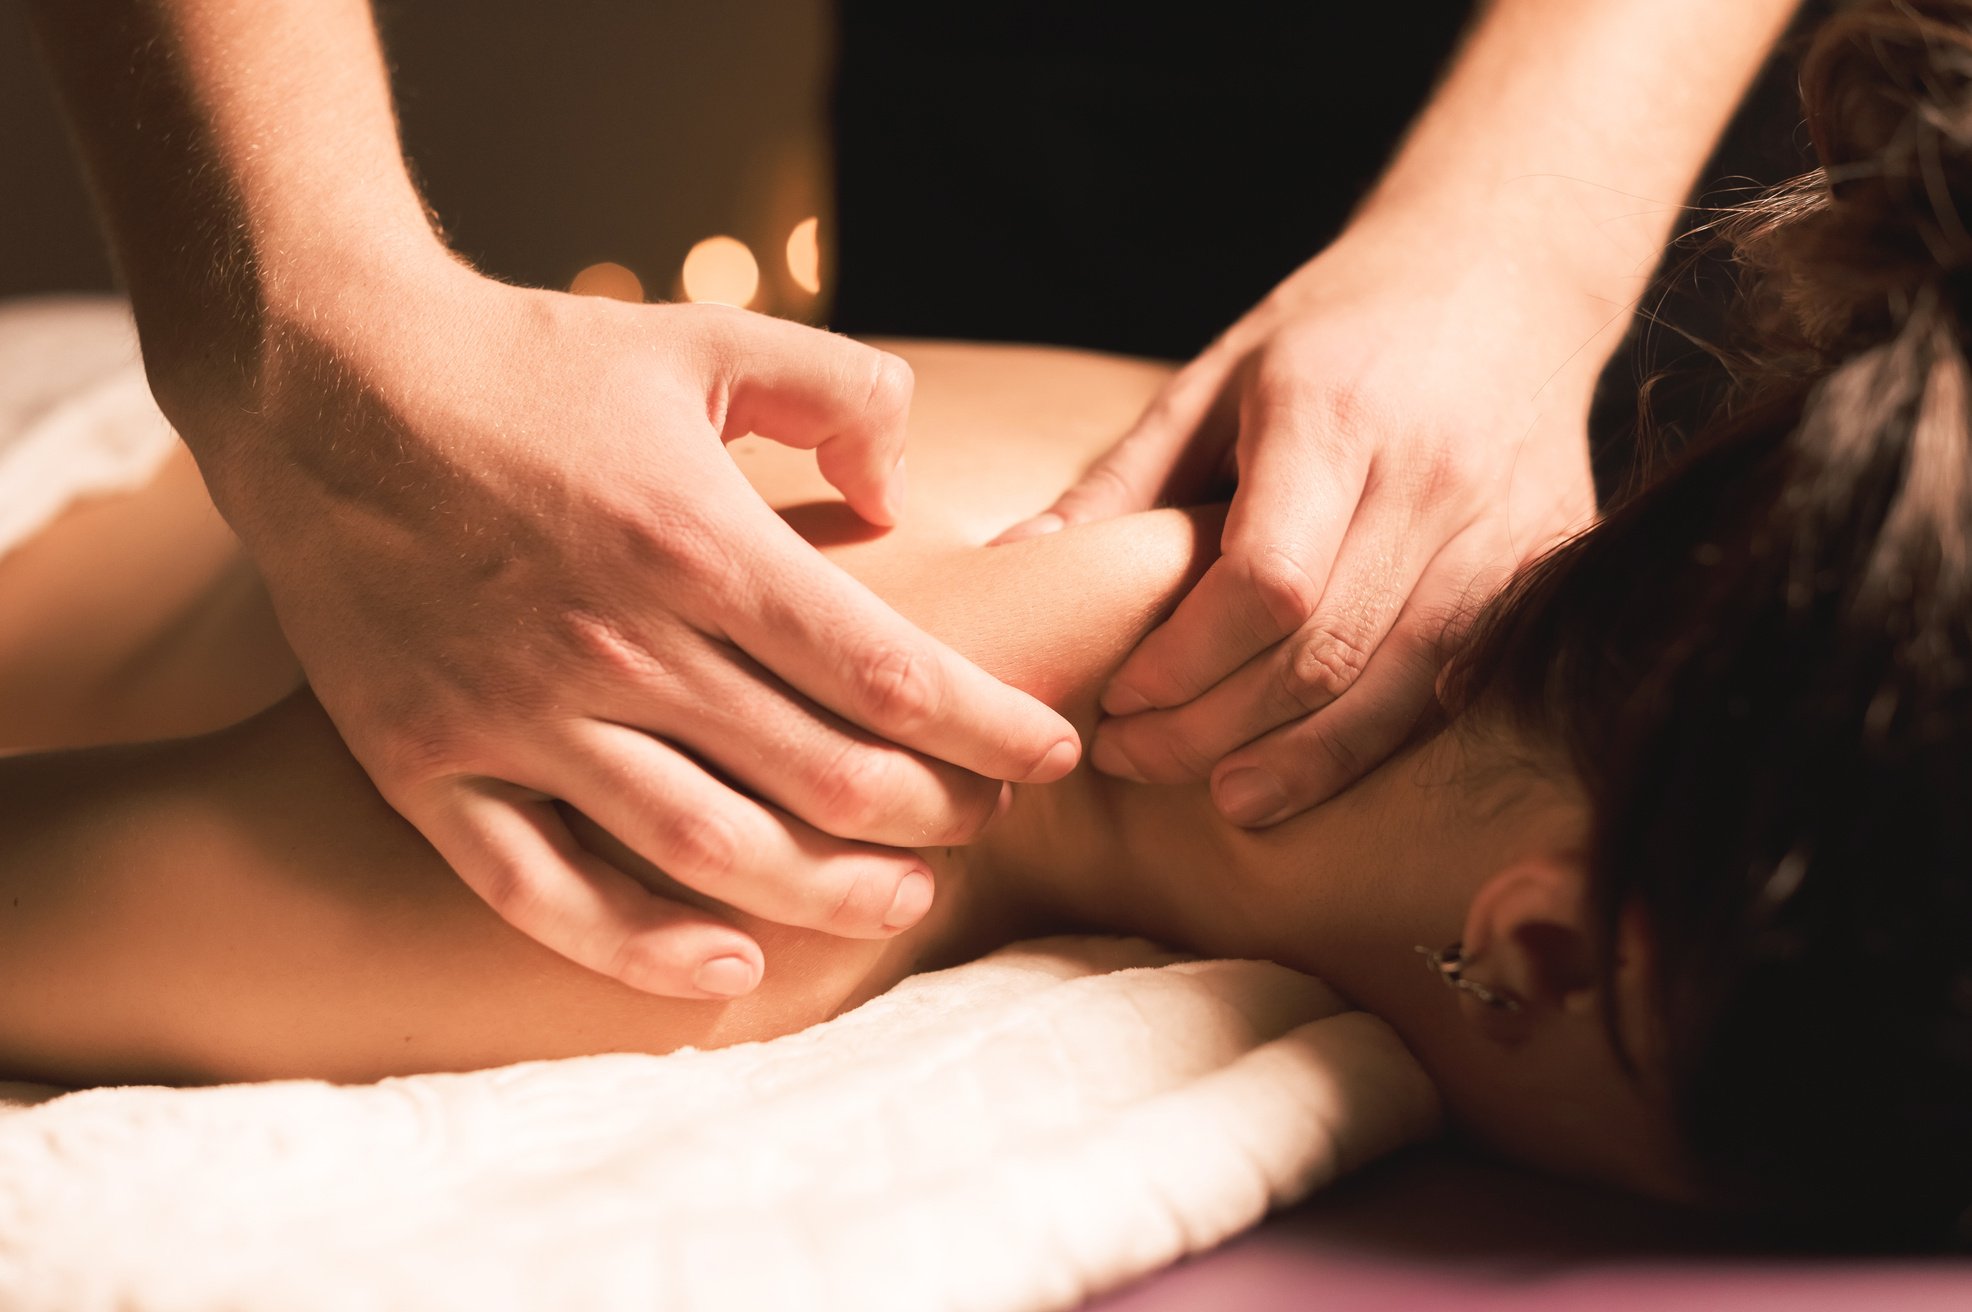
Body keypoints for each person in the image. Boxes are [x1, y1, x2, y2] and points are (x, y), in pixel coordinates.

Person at [4, 0, 1970, 1242]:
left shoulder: (1204, 452)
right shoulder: (747, 833)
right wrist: (295, 309)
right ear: (1539, 952)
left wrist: (1517, 223)